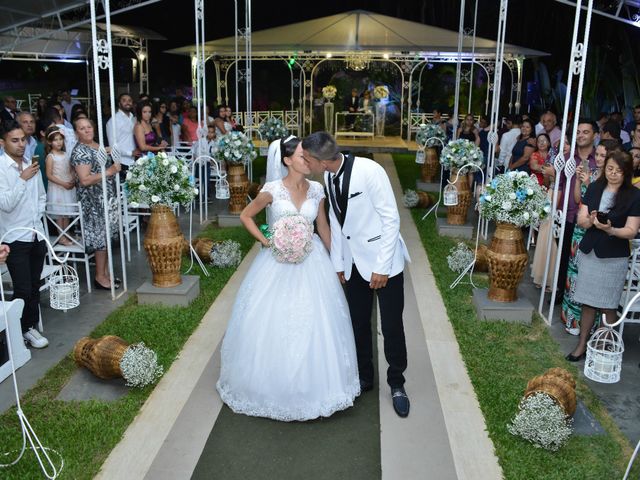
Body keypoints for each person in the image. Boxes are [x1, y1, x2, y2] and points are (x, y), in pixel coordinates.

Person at [216, 136, 360, 421]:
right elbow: (246, 216)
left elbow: (323, 226)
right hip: (276, 263)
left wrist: (338, 262)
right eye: (302, 156)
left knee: (316, 321)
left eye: (308, 157)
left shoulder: (317, 189)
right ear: (286, 160)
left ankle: (317, 385)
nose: (308, 161)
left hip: (313, 261)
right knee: (272, 321)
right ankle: (269, 384)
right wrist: (267, 241)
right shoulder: (272, 190)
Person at [302, 131, 411, 418]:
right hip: (352, 266)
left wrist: (381, 268)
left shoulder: (370, 170)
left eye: (308, 158)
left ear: (321, 160)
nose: (306, 163)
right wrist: (338, 263)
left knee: (391, 327)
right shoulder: (327, 177)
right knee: (358, 324)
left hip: (384, 264)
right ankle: (365, 377)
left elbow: (391, 220)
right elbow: (338, 224)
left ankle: (397, 383)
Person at [566, 150, 640, 361]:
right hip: (591, 252)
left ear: (627, 172)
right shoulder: (596, 187)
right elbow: (581, 219)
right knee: (587, 302)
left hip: (614, 256)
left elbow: (631, 231)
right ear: (604, 168)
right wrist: (591, 220)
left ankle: (601, 347)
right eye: (610, 169)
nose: (613, 174)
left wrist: (611, 230)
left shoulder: (634, 196)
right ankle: (582, 344)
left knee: (608, 305)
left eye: (618, 171)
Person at [0, 121, 48, 348]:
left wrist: (37, 219)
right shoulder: (1, 168)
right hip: (13, 239)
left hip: (36, 234)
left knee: (34, 285)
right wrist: (22, 179)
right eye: (14, 140)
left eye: (23, 140)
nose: (21, 144)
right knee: (22, 288)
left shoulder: (31, 164)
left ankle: (28, 328)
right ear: (3, 142)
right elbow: (6, 204)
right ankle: (16, 332)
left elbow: (40, 197)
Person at [560, 140, 608, 334]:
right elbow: (578, 199)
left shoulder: (610, 181)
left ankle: (587, 326)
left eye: (603, 155)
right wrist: (579, 180)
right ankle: (571, 322)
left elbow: (599, 205)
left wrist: (588, 182)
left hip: (593, 232)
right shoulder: (593, 173)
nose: (598, 158)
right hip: (579, 232)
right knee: (573, 276)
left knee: (586, 280)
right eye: (597, 154)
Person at [70, 118, 121, 290]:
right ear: (76, 133)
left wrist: (107, 151)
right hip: (93, 203)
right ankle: (99, 276)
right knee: (100, 240)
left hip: (106, 199)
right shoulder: (80, 152)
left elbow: (97, 157)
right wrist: (110, 171)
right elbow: (84, 180)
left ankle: (105, 272)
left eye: (89, 127)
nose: (87, 130)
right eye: (82, 128)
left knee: (106, 239)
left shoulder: (94, 145)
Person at [44, 126, 76, 246]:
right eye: (55, 140)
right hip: (58, 188)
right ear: (49, 142)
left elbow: (70, 169)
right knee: (60, 215)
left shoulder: (66, 154)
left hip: (68, 186)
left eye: (60, 139)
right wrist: (63, 183)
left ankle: (66, 234)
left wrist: (72, 179)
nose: (59, 142)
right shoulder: (51, 157)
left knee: (67, 213)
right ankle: (61, 237)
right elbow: (49, 175)